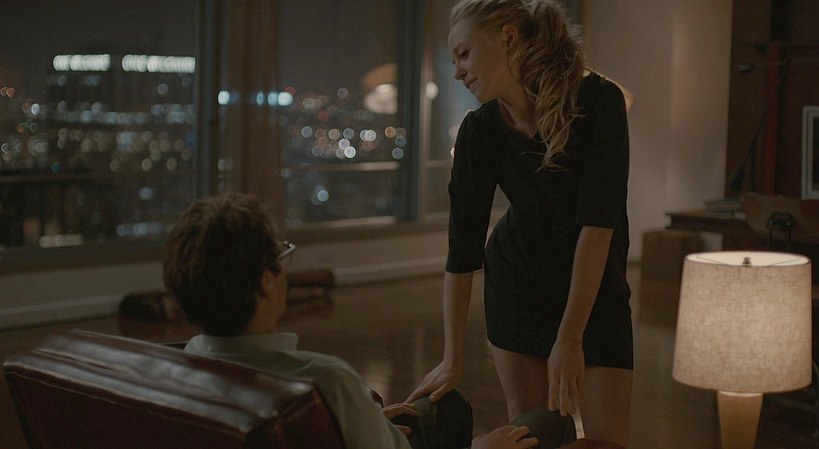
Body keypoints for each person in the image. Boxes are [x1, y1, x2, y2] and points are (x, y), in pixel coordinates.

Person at [407, 0, 633, 447]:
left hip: (595, 288)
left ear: (508, 39)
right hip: (518, 284)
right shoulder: (479, 130)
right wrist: (452, 358)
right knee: (533, 437)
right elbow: (462, 251)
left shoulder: (598, 101)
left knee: (608, 441)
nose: (458, 72)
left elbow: (597, 226)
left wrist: (570, 337)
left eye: (464, 54)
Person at [162, 192, 545, 449]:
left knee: (446, 408)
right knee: (546, 425)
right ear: (265, 282)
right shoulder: (324, 383)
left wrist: (364, 423)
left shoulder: (177, 370)